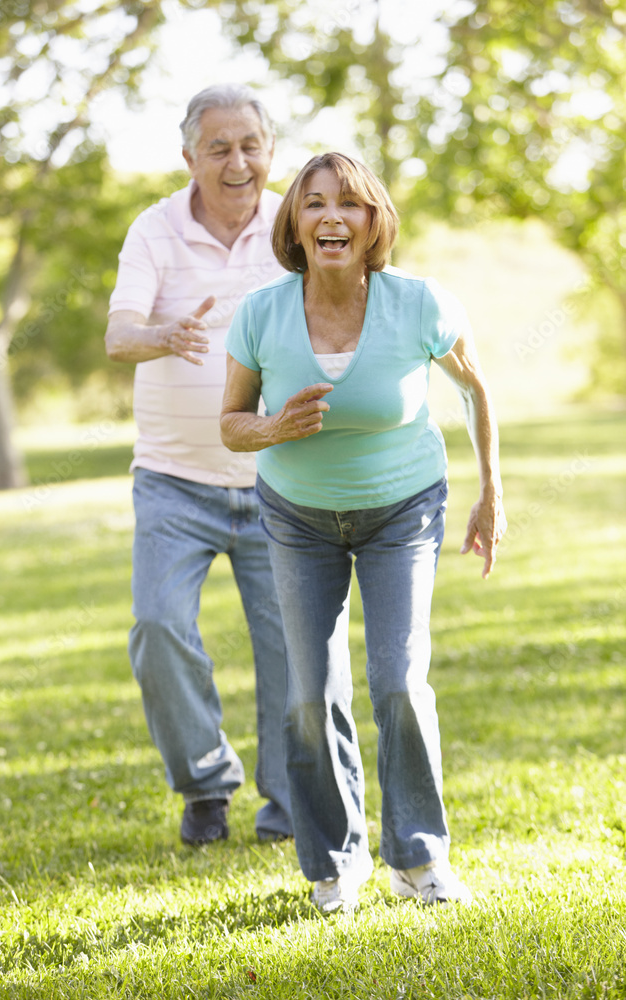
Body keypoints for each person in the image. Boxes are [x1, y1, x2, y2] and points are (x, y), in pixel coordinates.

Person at [220, 152, 506, 911]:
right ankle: (333, 862)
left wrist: (490, 496)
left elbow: (476, 390)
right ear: (294, 224)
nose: (331, 217)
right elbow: (230, 424)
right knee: (309, 694)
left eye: (349, 204)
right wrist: (275, 427)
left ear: (374, 221)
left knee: (398, 681)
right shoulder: (261, 313)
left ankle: (418, 859)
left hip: (400, 509)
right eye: (313, 204)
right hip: (296, 515)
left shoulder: (417, 304)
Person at [105, 83, 293, 846]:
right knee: (157, 625)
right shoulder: (154, 229)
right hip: (173, 481)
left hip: (280, 479)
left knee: (291, 647)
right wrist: (164, 337)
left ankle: (288, 800)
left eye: (249, 144)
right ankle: (205, 784)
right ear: (189, 157)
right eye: (218, 147)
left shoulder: (296, 222)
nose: (236, 161)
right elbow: (120, 336)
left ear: (269, 152)